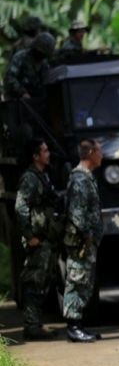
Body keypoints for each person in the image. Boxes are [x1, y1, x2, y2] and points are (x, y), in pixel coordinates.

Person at [14, 139, 62, 340]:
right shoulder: (30, 179)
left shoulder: (42, 176)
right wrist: (29, 235)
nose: (48, 153)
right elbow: (21, 207)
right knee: (34, 282)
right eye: (44, 150)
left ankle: (36, 324)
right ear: (35, 156)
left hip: (45, 237)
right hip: (37, 238)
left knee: (42, 281)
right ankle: (32, 327)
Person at [63, 139, 103, 342]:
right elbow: (77, 213)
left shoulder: (86, 177)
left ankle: (79, 325)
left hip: (86, 241)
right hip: (81, 242)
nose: (101, 155)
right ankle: (73, 326)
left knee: (84, 281)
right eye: (99, 151)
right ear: (90, 153)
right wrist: (87, 235)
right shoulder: (80, 179)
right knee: (77, 280)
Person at [4, 32, 55, 101]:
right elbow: (9, 78)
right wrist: (22, 92)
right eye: (40, 53)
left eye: (44, 55)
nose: (42, 57)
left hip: (35, 100)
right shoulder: (20, 57)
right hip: (17, 99)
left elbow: (46, 81)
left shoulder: (44, 64)